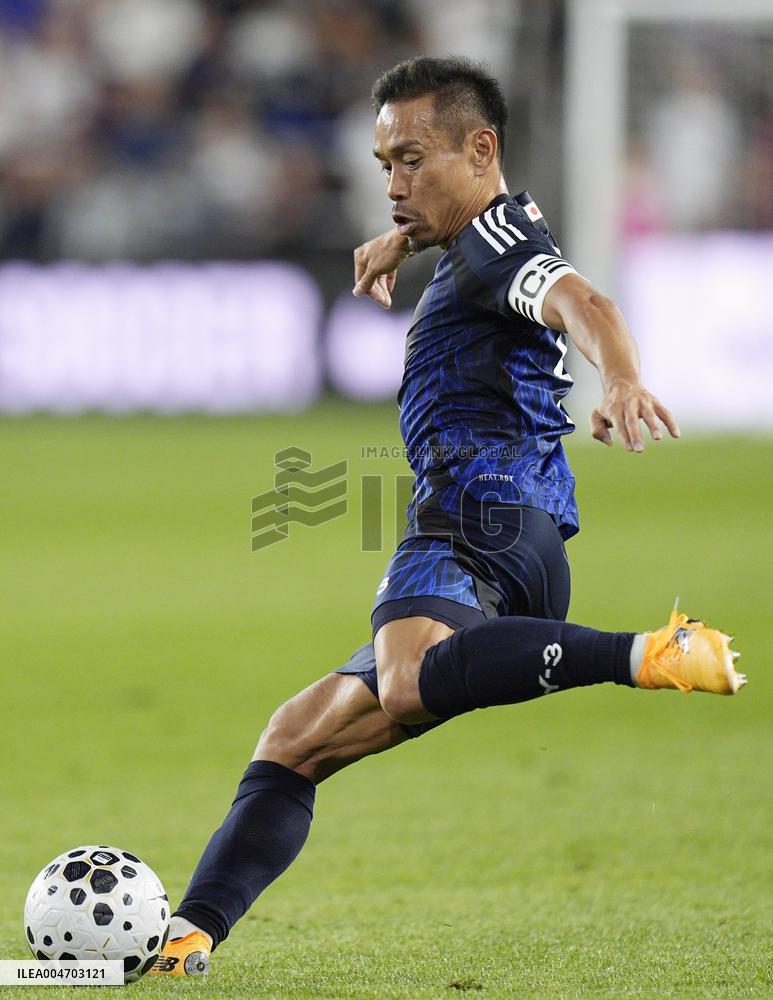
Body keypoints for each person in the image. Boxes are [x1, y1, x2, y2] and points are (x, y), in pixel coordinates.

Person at [150, 57, 746, 979]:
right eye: (384, 161)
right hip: (516, 538)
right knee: (296, 738)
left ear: (481, 149)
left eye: (412, 160)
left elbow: (582, 301)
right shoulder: (482, 240)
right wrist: (406, 242)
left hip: (480, 517)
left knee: (404, 682)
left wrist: (620, 377)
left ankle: (648, 653)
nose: (393, 183)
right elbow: (507, 270)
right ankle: (187, 935)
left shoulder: (498, 241)